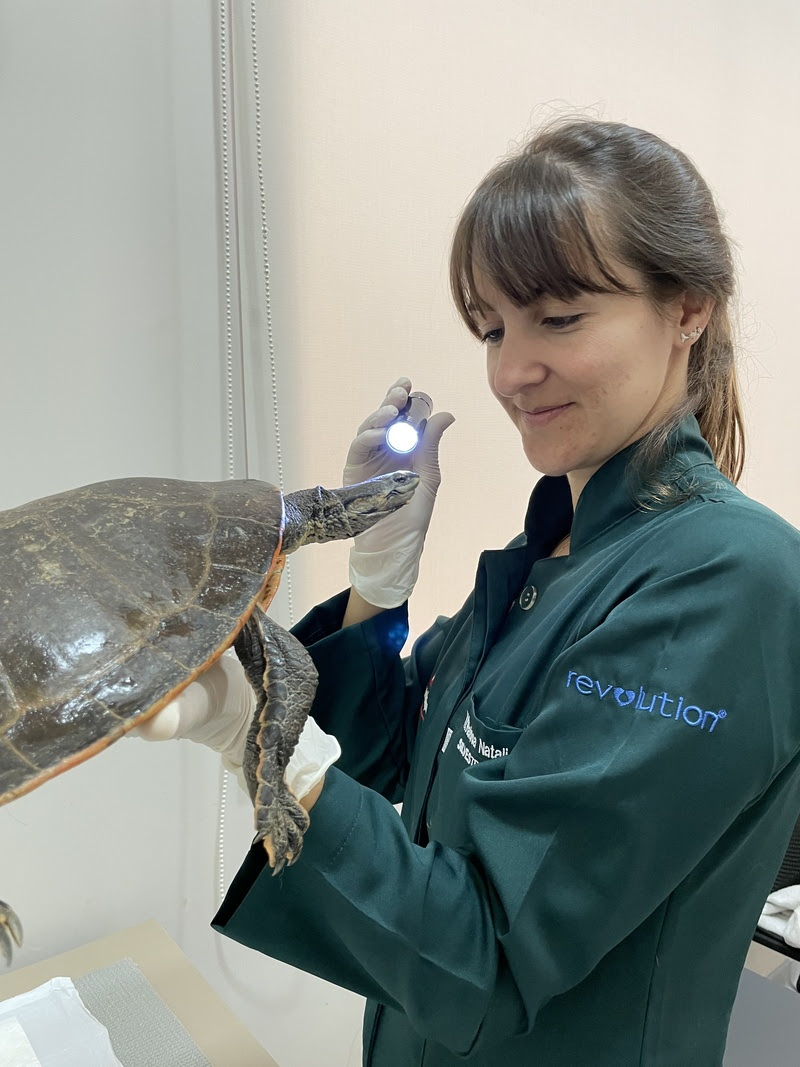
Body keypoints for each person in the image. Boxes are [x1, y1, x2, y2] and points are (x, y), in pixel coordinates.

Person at [136, 119, 800, 1065]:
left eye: (559, 319)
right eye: (492, 327)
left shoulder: (730, 580)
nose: (508, 371)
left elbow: (483, 955)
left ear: (687, 307)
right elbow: (391, 766)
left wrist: (260, 724)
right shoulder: (546, 558)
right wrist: (375, 585)